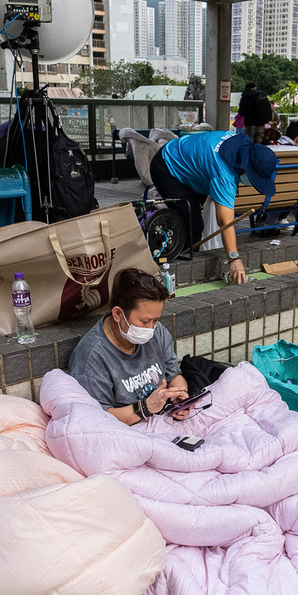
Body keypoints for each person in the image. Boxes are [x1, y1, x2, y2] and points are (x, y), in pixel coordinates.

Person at [149, 131, 276, 285]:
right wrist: (234, 258)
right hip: (167, 166)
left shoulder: (241, 144)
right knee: (194, 228)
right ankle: (178, 271)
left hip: (189, 160)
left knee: (190, 214)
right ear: (246, 169)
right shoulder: (223, 173)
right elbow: (224, 221)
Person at [67, 268, 191, 425]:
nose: (151, 328)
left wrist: (181, 396)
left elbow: (174, 375)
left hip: (164, 420)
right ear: (118, 314)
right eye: (145, 322)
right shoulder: (92, 355)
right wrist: (144, 408)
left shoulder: (157, 332)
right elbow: (96, 418)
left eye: (156, 320)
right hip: (124, 431)